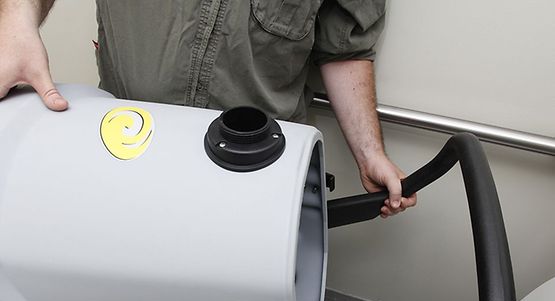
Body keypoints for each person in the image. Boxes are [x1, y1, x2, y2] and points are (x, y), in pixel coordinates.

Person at [0, 0, 416, 217]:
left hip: (256, 178)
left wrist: (369, 154)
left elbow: (344, 47)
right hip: (127, 157)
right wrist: (15, 23)